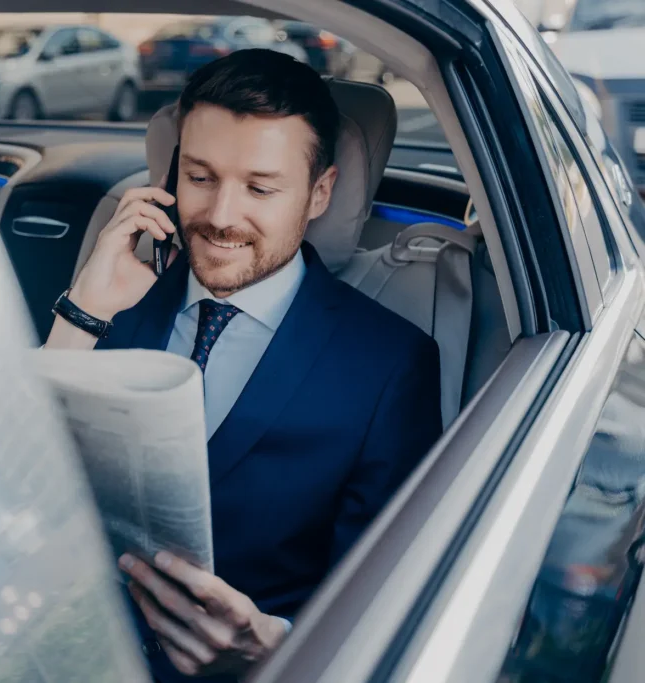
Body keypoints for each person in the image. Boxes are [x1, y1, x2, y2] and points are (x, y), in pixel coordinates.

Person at [45, 49, 442, 681]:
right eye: (199, 178)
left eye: (260, 188)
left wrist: (273, 645)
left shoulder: (391, 366)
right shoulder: (111, 300)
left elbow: (386, 594)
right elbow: (14, 486)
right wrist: (83, 314)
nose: (222, 217)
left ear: (319, 193)